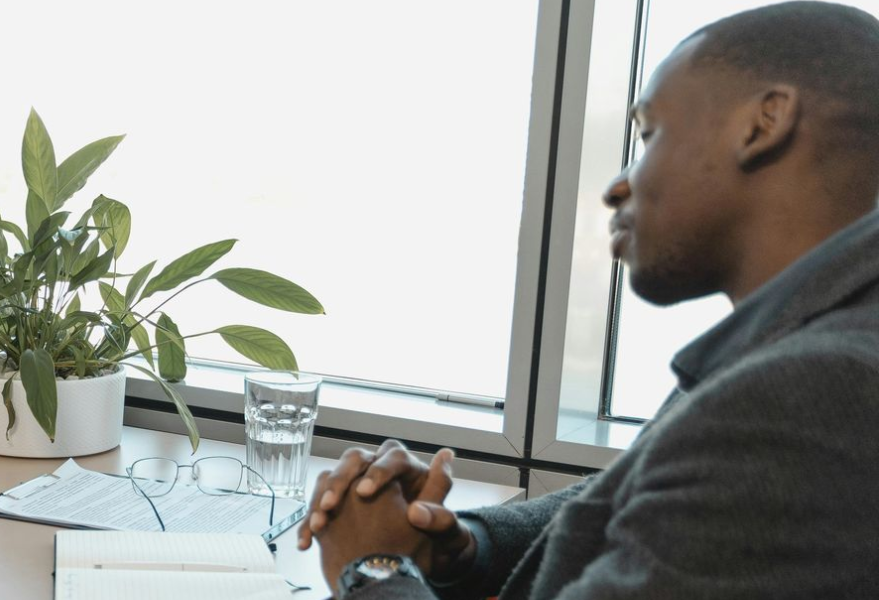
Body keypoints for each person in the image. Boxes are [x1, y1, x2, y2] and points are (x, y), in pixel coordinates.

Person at [298, 2, 879, 597]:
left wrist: (372, 568)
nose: (617, 186)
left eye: (650, 135)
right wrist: (464, 545)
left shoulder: (812, 391)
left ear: (763, 123)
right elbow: (637, 500)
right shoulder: (812, 341)